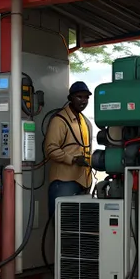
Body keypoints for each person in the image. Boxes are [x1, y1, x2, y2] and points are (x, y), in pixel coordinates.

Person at [45, 81, 93, 220]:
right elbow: (50, 149)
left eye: (86, 97)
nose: (83, 101)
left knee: (76, 227)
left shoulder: (85, 122)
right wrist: (72, 159)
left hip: (84, 182)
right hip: (64, 182)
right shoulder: (60, 121)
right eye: (79, 97)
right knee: (62, 224)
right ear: (70, 98)